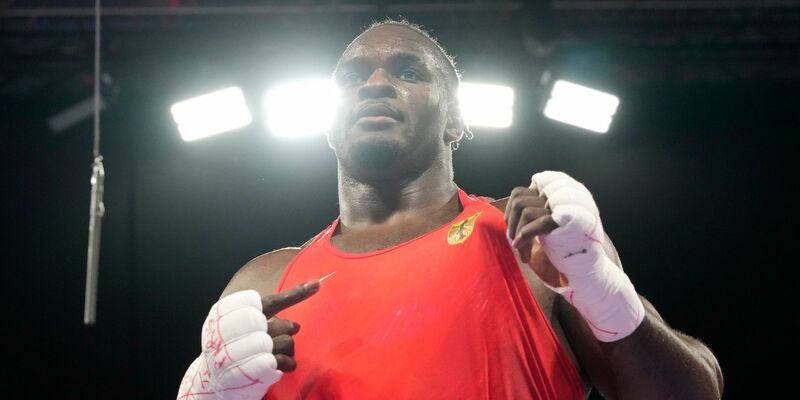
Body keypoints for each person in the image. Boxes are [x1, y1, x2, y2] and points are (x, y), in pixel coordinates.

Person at [177, 19, 723, 400]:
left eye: (408, 72)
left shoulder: (530, 235)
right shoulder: (265, 280)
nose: (374, 85)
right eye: (351, 78)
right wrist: (207, 391)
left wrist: (603, 289)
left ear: (456, 121)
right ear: (329, 124)